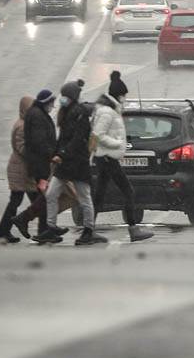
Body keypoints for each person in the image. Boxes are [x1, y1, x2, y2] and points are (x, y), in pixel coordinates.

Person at [35, 80, 106, 246]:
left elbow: (77, 139)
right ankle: (51, 227)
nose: (62, 99)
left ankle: (89, 230)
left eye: (65, 96)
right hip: (66, 164)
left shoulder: (79, 113)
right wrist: (57, 153)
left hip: (78, 164)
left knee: (84, 198)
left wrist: (63, 154)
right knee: (51, 194)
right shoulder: (67, 112)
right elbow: (63, 138)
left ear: (72, 97)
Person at [91, 92, 152, 242]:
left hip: (105, 157)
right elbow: (98, 134)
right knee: (128, 191)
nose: (124, 97)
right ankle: (133, 229)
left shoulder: (106, 111)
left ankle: (89, 228)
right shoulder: (107, 112)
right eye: (122, 94)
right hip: (107, 158)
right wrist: (116, 144)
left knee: (99, 193)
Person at [11, 89, 58, 238]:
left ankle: (43, 231)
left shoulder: (38, 114)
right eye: (52, 103)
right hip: (41, 165)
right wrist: (52, 154)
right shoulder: (38, 116)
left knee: (44, 197)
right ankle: (26, 221)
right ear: (46, 103)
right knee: (45, 197)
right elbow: (39, 142)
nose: (53, 106)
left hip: (40, 164)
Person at [0, 96, 42, 243]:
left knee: (23, 200)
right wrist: (37, 153)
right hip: (21, 170)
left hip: (21, 169)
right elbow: (23, 148)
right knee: (37, 200)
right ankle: (43, 230)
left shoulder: (24, 123)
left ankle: (4, 230)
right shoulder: (22, 126)